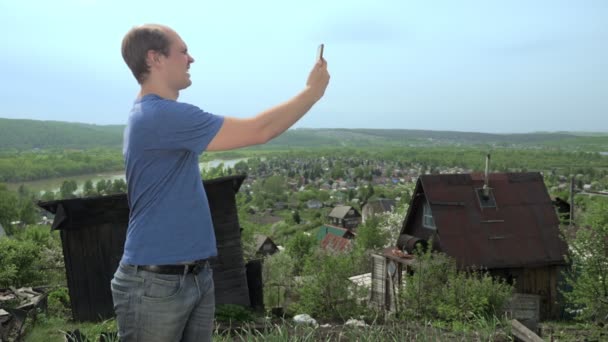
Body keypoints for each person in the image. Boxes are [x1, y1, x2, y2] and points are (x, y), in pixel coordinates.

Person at [110, 24, 329, 342]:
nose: (191, 59)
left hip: (190, 276)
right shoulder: (160, 116)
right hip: (156, 283)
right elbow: (259, 130)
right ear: (155, 58)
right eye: (183, 51)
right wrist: (312, 93)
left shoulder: (154, 115)